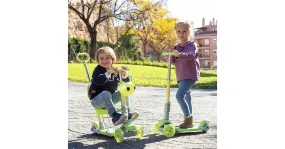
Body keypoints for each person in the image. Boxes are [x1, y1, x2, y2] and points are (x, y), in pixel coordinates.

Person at [88, 46, 139, 126]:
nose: (104, 60)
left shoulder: (115, 70)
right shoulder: (98, 70)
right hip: (97, 100)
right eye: (101, 58)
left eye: (107, 57)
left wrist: (124, 73)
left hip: (110, 98)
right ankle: (114, 116)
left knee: (123, 91)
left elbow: (126, 83)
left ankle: (126, 114)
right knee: (106, 93)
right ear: (98, 60)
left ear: (112, 59)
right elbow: (97, 81)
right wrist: (107, 73)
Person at [169, 21, 200, 128]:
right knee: (187, 97)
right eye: (178, 32)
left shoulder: (192, 45)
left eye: (184, 31)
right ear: (176, 33)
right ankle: (190, 121)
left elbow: (191, 55)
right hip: (181, 76)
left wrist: (179, 54)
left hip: (190, 75)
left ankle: (188, 119)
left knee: (179, 96)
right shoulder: (176, 47)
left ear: (189, 32)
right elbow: (174, 61)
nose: (181, 34)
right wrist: (170, 56)